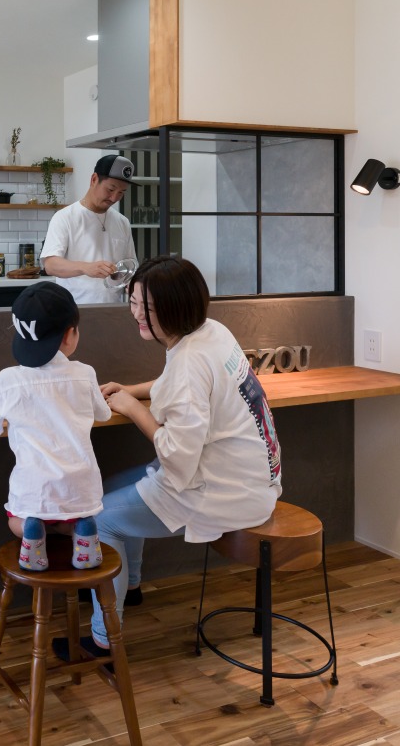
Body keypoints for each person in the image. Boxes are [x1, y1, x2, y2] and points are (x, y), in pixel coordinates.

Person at [54, 255, 282, 662]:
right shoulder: (211, 331)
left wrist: (132, 409)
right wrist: (133, 390)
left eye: (147, 308)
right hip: (250, 476)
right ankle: (130, 586)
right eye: (133, 302)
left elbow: (178, 458)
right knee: (111, 490)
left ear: (175, 308)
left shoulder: (190, 361)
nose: (136, 315)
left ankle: (105, 641)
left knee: (99, 519)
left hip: (223, 493)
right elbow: (177, 382)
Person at [0, 282, 113, 572]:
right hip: (80, 491)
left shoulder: (7, 380)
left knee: (17, 521)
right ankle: (84, 532)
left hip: (34, 491)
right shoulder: (85, 374)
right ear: (69, 335)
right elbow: (104, 414)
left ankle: (33, 534)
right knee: (70, 518)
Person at [39, 154, 138, 305]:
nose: (114, 198)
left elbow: (130, 265)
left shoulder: (122, 222)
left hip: (113, 309)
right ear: (94, 179)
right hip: (73, 309)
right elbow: (51, 265)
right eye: (110, 189)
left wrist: (132, 282)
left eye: (121, 193)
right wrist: (85, 268)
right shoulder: (65, 217)